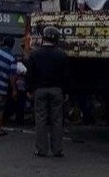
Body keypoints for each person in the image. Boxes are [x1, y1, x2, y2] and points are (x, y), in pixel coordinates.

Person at [26, 26, 70, 158]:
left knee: (40, 120)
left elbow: (30, 74)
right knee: (57, 121)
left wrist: (29, 89)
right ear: (56, 39)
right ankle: (57, 150)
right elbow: (66, 76)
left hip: (40, 90)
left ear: (43, 37)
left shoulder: (35, 54)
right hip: (56, 90)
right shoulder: (62, 55)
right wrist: (66, 92)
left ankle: (41, 150)